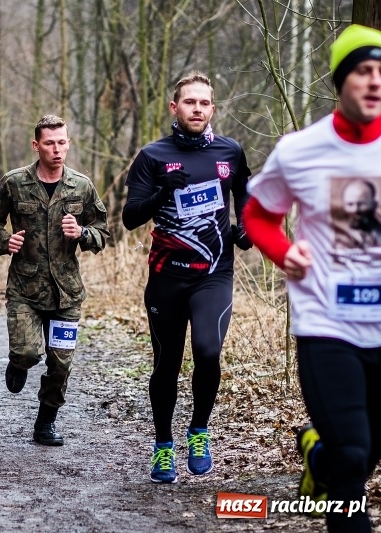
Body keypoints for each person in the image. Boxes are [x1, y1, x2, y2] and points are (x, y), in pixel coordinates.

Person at [243, 24, 381, 532]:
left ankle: (318, 459)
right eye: (363, 71)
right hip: (327, 323)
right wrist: (285, 252)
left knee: (363, 454)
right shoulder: (299, 150)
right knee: (353, 456)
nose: (375, 81)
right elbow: (258, 215)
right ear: (341, 80)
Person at [122, 72, 252, 484]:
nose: (197, 108)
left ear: (212, 108)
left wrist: (247, 228)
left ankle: (199, 431)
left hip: (214, 274)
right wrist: (162, 192)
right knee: (167, 364)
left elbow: (246, 195)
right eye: (190, 102)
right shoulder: (153, 155)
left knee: (208, 351)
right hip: (166, 277)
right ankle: (163, 445)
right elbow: (130, 217)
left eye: (204, 103)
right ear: (174, 107)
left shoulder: (230, 151)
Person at [0, 114, 109, 446]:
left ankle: (45, 422)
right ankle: (18, 363)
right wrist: (5, 241)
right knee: (27, 352)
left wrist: (82, 233)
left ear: (69, 144)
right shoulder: (14, 183)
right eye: (49, 143)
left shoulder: (81, 186)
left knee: (61, 363)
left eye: (62, 142)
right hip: (25, 287)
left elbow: (102, 231)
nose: (57, 149)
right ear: (36, 145)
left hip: (66, 292)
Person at [335, 178, 381, 250]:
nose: (355, 210)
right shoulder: (338, 237)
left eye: (361, 204)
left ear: (374, 205)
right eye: (350, 204)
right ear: (343, 206)